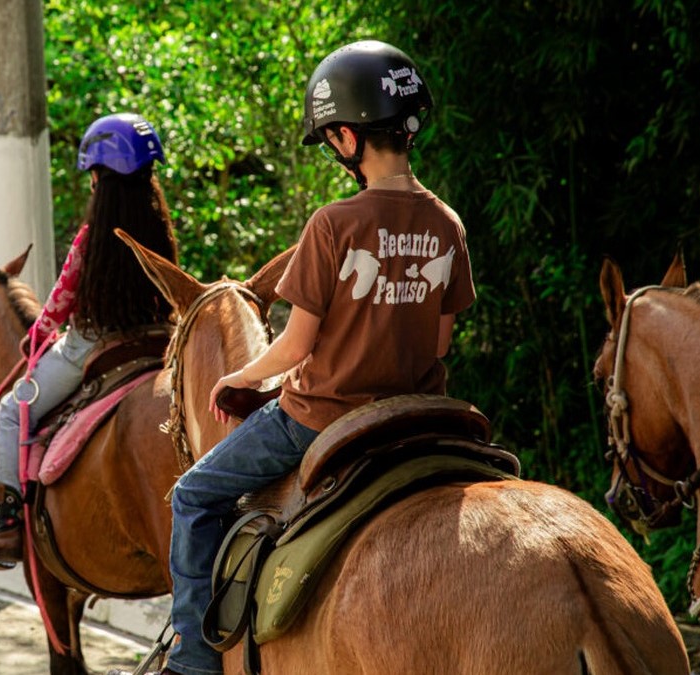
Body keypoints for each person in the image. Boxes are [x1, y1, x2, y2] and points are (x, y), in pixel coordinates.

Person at [108, 40, 475, 675]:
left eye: (331, 137)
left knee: (194, 497)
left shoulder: (334, 224)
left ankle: (194, 660)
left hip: (321, 415)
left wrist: (240, 377)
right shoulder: (448, 224)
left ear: (344, 136)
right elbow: (439, 343)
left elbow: (297, 346)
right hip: (424, 412)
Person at [0, 112, 179, 566]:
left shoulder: (90, 239)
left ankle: (4, 522)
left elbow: (60, 300)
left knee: (9, 412)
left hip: (90, 350)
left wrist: (36, 337)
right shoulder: (159, 228)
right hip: (159, 344)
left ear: (98, 177)